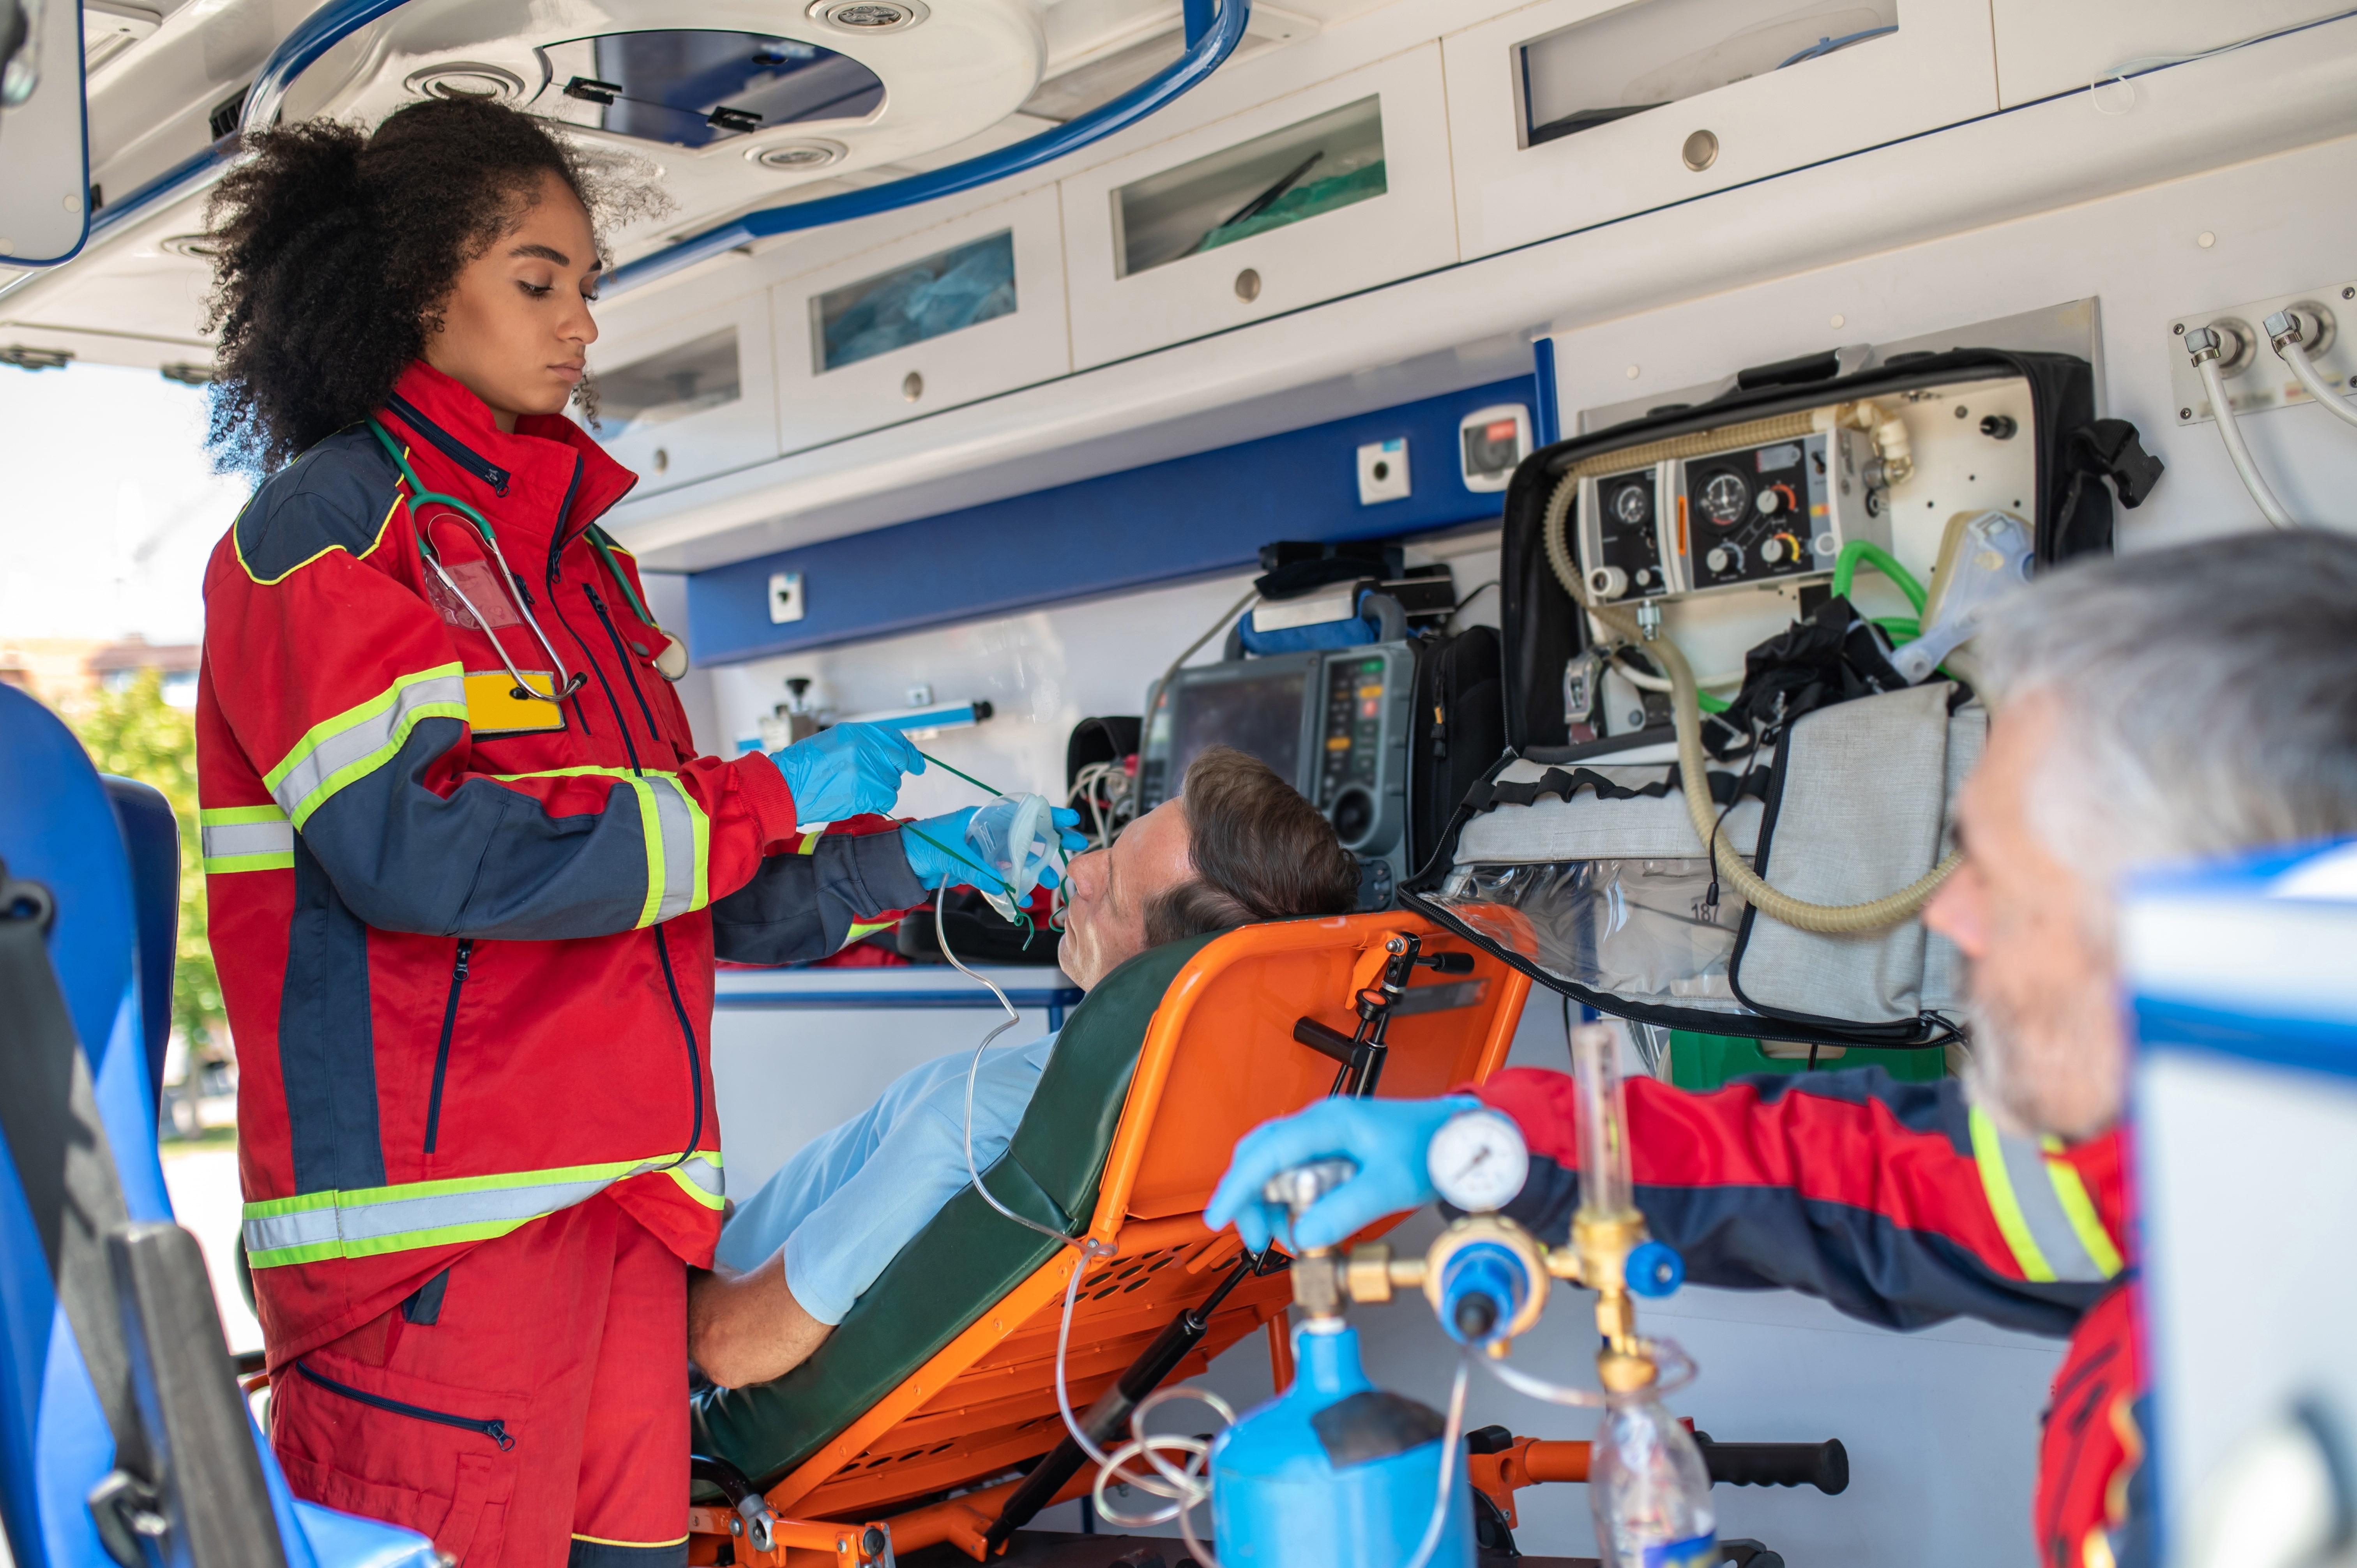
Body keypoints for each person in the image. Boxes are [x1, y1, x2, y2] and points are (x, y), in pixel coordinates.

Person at [193, 98, 1072, 1568]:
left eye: (587, 287)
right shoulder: (328, 535)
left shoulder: (584, 572)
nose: (580, 326)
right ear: (418, 289)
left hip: (621, 1213)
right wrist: (772, 791)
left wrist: (893, 863)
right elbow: (417, 853)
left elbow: (671, 886)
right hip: (429, 1258)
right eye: (539, 282)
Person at [1207, 533, 2357, 1568]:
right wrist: (1485, 1148)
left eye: (2010, 882)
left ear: (2232, 925)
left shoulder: (2302, 1413)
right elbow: (1861, 1181)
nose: (1950, 920)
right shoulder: (2172, 1166)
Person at [687, 745, 1363, 1390]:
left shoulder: (976, 1124)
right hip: (729, 1236)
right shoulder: (1232, 1112)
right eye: (1112, 841)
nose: (1078, 869)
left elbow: (731, 1344)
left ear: (1167, 974)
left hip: (693, 1319)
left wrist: (646, 1276)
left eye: (1114, 888)